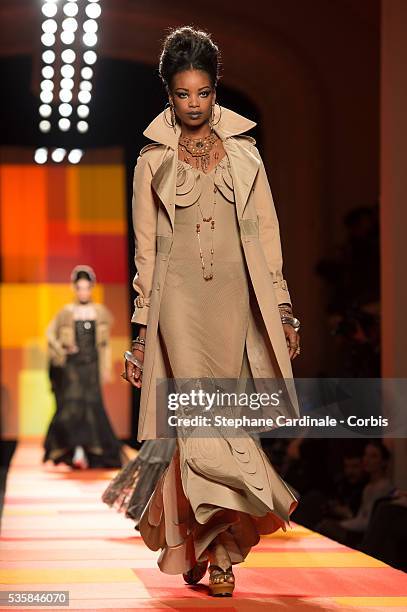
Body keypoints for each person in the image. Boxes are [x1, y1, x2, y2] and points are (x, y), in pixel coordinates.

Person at [123, 26, 301, 597]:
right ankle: (220, 554)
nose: (194, 104)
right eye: (182, 94)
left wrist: (281, 306)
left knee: (225, 423)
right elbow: (146, 251)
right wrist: (141, 333)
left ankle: (201, 541)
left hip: (233, 300)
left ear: (215, 89)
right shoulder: (151, 162)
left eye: (202, 92)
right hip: (176, 304)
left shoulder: (246, 156)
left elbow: (266, 232)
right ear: (168, 94)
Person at [43, 265, 123, 469]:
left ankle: (90, 452)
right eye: (80, 288)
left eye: (87, 288)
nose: (83, 292)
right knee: (72, 407)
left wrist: (106, 368)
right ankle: (74, 450)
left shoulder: (100, 312)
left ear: (92, 288)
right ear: (74, 288)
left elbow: (104, 345)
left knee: (92, 407)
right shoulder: (66, 312)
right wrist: (62, 347)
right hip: (72, 367)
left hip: (92, 367)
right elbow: (50, 334)